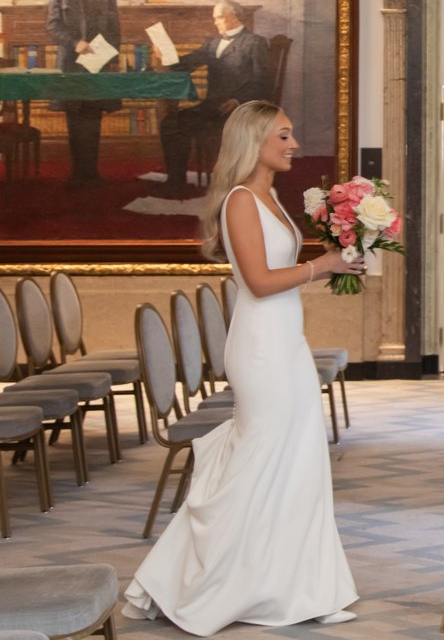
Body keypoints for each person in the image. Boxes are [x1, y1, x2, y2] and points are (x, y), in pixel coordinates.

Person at [123, 100, 360, 634]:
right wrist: (317, 265)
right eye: (284, 135)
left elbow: (283, 272)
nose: (293, 144)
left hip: (285, 341)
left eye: (291, 134)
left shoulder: (269, 197)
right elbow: (257, 282)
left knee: (296, 462)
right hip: (260, 348)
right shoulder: (238, 202)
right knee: (261, 460)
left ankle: (291, 586)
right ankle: (198, 585)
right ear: (254, 140)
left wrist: (335, 264)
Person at [155, 0, 271, 197]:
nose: (215, 22)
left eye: (218, 18)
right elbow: (186, 63)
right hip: (212, 107)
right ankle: (175, 183)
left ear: (232, 17)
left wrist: (237, 100)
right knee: (170, 123)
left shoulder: (255, 42)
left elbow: (263, 83)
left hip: (239, 109)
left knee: (179, 123)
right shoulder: (213, 43)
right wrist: (165, 56)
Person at [46, 0, 121, 187]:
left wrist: (110, 54)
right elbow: (53, 23)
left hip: (99, 58)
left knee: (94, 113)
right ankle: (77, 174)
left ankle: (92, 173)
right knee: (74, 113)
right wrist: (75, 42)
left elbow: (113, 21)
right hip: (71, 59)